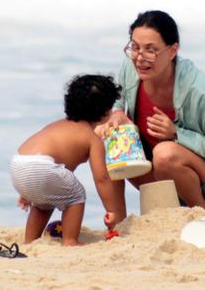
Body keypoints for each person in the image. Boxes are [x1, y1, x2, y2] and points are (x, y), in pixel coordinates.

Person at [96, 10, 205, 215]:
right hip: (159, 174)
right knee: (109, 135)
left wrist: (177, 134)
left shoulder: (203, 92)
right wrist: (117, 114)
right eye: (135, 47)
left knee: (165, 154)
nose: (139, 58)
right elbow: (119, 102)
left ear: (173, 51)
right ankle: (120, 220)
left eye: (151, 50)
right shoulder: (131, 68)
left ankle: (203, 213)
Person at [10, 74, 124, 246]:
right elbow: (101, 178)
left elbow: (38, 160)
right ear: (106, 112)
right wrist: (111, 210)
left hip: (19, 163)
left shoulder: (56, 125)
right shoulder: (92, 138)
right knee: (76, 195)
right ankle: (70, 240)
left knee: (44, 203)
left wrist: (28, 190)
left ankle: (30, 241)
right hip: (42, 168)